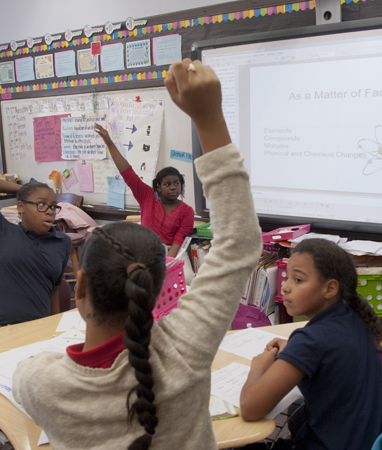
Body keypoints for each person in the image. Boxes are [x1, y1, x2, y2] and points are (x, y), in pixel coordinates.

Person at [13, 59, 263, 450]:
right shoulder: (185, 347)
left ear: (79, 288)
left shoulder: (37, 383)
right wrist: (209, 117)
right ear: (157, 286)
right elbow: (240, 242)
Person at [239, 238, 382, 450]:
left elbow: (249, 408)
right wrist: (293, 349)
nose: (284, 287)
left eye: (298, 280)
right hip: (372, 441)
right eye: (288, 277)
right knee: (297, 418)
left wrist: (258, 367)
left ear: (330, 289)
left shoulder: (311, 341)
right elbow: (328, 351)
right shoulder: (355, 315)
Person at [94, 122, 195, 280]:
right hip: (146, 249)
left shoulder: (187, 211)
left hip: (172, 251)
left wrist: (166, 263)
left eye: (177, 183)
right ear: (158, 188)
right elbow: (127, 172)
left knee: (188, 278)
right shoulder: (146, 195)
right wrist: (108, 141)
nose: (173, 187)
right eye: (167, 184)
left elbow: (178, 240)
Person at [0, 180, 71, 325]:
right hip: (4, 330)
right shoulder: (5, 232)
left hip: (38, 329)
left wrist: (53, 327)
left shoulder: (62, 242)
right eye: (41, 204)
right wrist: (23, 190)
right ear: (21, 206)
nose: (49, 211)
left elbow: (54, 290)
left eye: (52, 206)